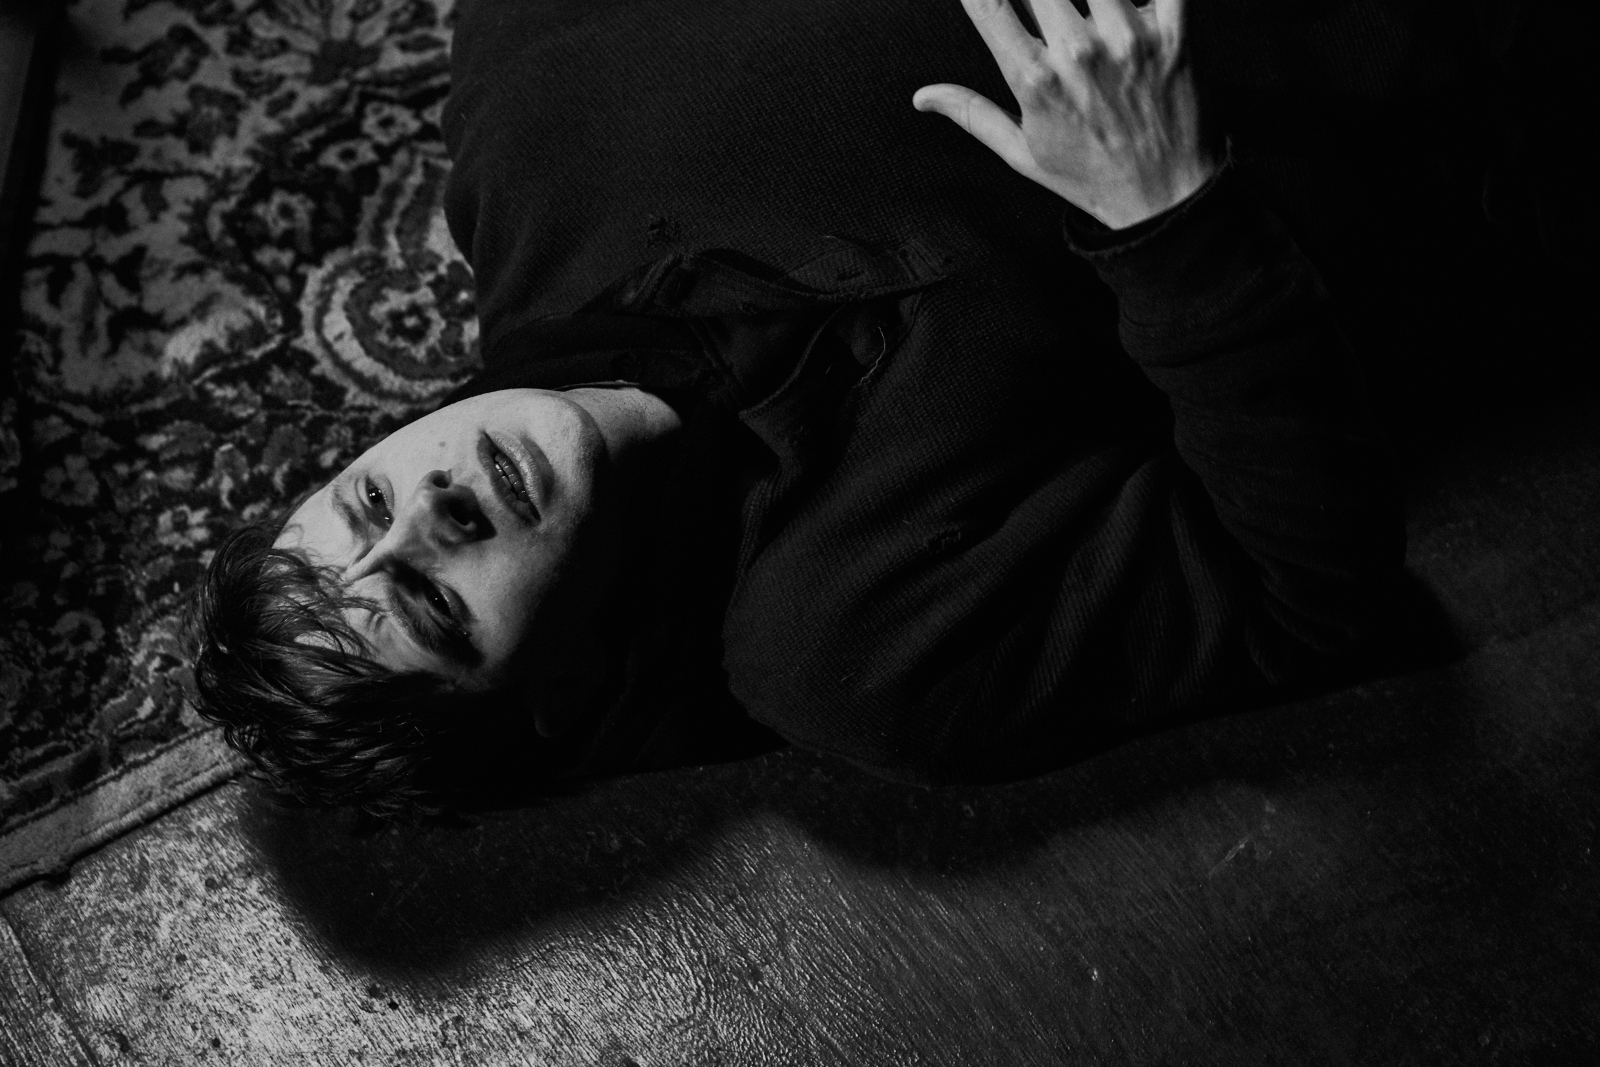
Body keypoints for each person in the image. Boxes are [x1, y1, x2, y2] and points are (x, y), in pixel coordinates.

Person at [190, 0, 1406, 815]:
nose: (433, 507)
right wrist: (1165, 212)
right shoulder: (856, 651)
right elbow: (1300, 596)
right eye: (433, 601)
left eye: (369, 498)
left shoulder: (527, 128)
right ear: (549, 696)